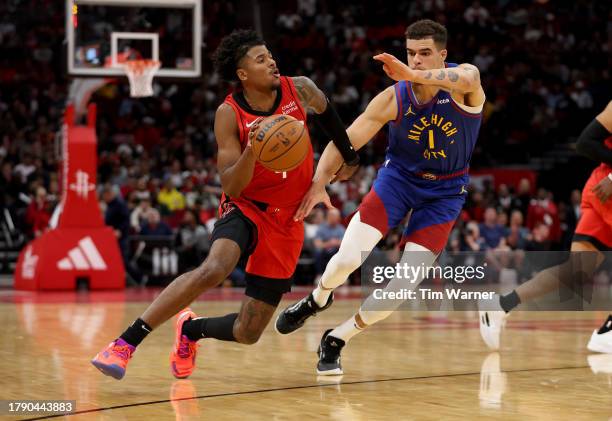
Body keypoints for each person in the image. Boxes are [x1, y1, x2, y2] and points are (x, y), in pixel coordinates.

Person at [91, 29, 359, 380]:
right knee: (216, 267)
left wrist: (349, 156)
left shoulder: (300, 88)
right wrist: (255, 147)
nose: (272, 62)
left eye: (270, 55)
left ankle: (190, 330)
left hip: (288, 219)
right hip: (247, 206)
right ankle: (125, 344)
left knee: (249, 332)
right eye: (260, 59)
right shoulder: (229, 114)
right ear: (242, 74)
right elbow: (231, 182)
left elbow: (328, 114)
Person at [275, 19, 485, 375]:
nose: (415, 61)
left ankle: (337, 338)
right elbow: (347, 139)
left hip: (445, 193)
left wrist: (412, 74)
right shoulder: (394, 97)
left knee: (400, 289)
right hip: (398, 181)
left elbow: (467, 78)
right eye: (410, 54)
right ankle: (318, 297)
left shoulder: (466, 81)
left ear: (443, 55)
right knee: (347, 260)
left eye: (424, 54)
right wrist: (319, 180)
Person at [479, 100, 612, 352]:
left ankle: (500, 306)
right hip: (605, 191)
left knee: (575, 271)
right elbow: (585, 143)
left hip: (601, 190)